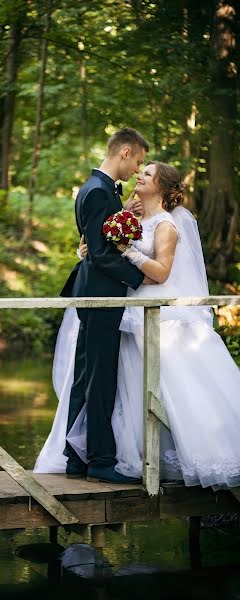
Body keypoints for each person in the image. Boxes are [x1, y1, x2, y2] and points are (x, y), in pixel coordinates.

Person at [34, 160, 240, 489]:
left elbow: (160, 273)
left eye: (147, 174)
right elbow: (107, 247)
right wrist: (88, 250)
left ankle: (188, 451)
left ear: (160, 187)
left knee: (170, 386)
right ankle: (128, 454)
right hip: (128, 311)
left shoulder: (167, 225)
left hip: (152, 311)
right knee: (127, 387)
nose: (139, 175)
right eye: (140, 170)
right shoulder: (132, 218)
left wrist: (126, 250)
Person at [56, 127, 150, 485]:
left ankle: (75, 458)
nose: (138, 170)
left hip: (94, 292)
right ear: (125, 152)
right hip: (101, 294)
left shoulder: (99, 190)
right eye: (138, 161)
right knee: (100, 378)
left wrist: (123, 211)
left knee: (86, 374)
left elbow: (96, 243)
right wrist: (142, 278)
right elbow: (99, 254)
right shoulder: (97, 192)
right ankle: (100, 459)